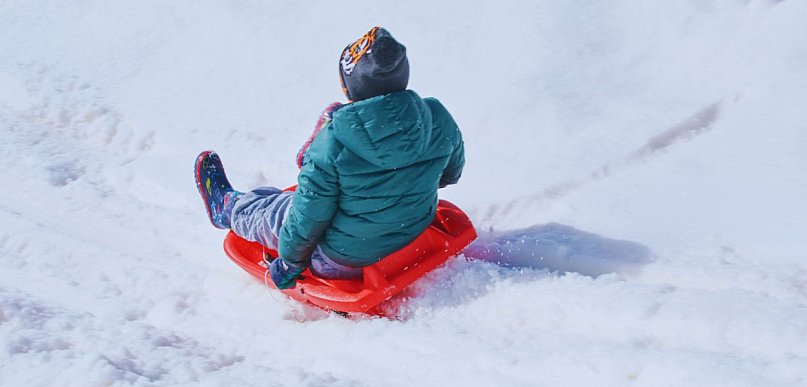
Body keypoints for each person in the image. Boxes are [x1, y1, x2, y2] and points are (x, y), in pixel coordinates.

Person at [194, 27, 464, 289]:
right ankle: (316, 165)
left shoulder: (334, 144)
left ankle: (229, 208)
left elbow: (308, 217)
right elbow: (450, 174)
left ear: (350, 88)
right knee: (323, 180)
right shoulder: (436, 116)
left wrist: (289, 263)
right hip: (414, 231)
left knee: (277, 210)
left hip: (342, 260)